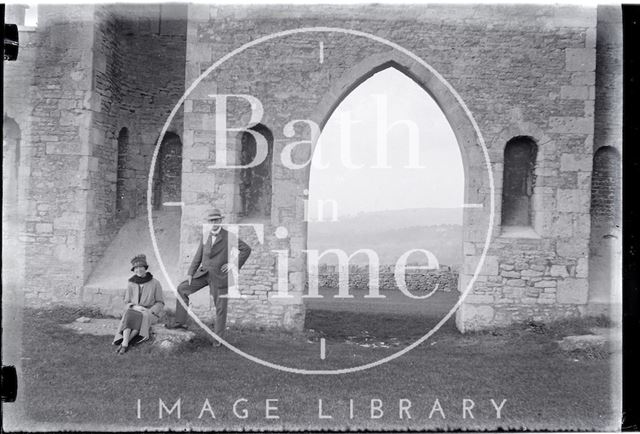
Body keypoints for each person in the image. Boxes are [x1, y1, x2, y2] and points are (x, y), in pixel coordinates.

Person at [166, 208, 251, 346]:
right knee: (182, 289)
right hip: (203, 274)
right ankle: (180, 323)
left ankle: (218, 340)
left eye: (217, 220)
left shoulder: (229, 236)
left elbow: (246, 249)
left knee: (220, 308)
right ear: (208, 222)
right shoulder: (205, 236)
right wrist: (190, 273)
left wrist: (233, 264)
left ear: (221, 221)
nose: (214, 223)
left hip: (220, 277)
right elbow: (198, 256)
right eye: (211, 221)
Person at [113, 254, 164, 355]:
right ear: (133, 270)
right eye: (136, 268)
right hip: (134, 309)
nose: (138, 270)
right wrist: (135, 307)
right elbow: (127, 301)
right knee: (130, 313)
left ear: (145, 268)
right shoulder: (131, 283)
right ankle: (126, 343)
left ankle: (124, 343)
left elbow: (160, 302)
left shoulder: (155, 283)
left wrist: (150, 311)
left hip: (149, 312)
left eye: (141, 267)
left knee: (139, 315)